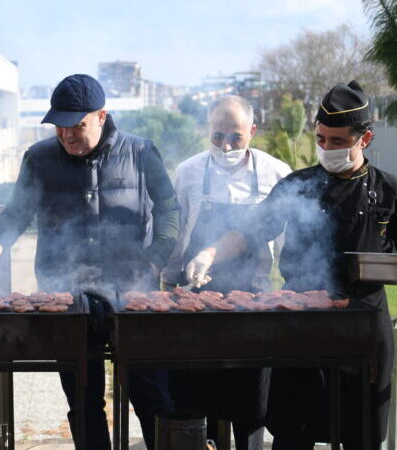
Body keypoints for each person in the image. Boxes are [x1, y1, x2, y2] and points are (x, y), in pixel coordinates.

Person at [202, 80, 397, 449]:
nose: (326, 148)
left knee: (363, 429)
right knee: (294, 429)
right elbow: (252, 230)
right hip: (301, 318)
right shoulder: (299, 184)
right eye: (321, 139)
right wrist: (211, 252)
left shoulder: (391, 190)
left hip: (364, 320)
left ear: (365, 140)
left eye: (337, 142)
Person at [0, 74, 179, 449]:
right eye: (59, 127)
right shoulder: (39, 158)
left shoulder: (141, 151)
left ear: (101, 116)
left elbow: (169, 209)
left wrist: (155, 261)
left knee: (151, 393)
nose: (66, 136)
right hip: (67, 295)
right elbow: (17, 211)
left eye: (76, 126)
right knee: (83, 398)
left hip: (133, 290)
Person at [161, 95, 291, 449]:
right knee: (196, 390)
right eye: (218, 136)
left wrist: (293, 287)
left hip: (254, 300)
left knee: (250, 397)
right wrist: (170, 282)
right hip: (196, 297)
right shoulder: (188, 171)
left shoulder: (276, 173)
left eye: (235, 136)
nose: (226, 145)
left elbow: (285, 242)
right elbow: (179, 235)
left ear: (252, 130)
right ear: (208, 131)